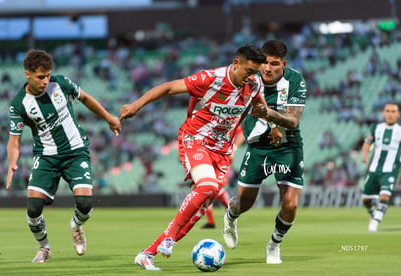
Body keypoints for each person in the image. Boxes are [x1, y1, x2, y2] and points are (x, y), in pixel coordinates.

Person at [120, 45, 278, 271]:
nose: (251, 77)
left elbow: (259, 104)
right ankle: (170, 238)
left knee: (204, 202)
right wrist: (136, 106)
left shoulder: (253, 84)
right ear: (236, 64)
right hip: (195, 139)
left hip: (222, 150)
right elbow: (167, 88)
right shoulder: (210, 79)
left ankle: (147, 254)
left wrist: (272, 125)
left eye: (255, 72)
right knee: (207, 186)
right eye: (248, 71)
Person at [6, 49, 121, 263]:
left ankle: (76, 225)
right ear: (27, 74)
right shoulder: (19, 104)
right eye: (41, 77)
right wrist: (12, 162)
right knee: (33, 209)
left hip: (76, 151)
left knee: (85, 204)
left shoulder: (60, 84)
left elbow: (85, 97)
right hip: (47, 157)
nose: (45, 80)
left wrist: (108, 117)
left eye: (48, 75)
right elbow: (14, 140)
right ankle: (44, 247)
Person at [222, 40, 307, 265]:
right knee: (244, 204)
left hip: (288, 147)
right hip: (258, 148)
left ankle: (274, 245)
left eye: (274, 64)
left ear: (284, 64)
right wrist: (230, 145)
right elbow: (236, 113)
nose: (268, 68)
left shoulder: (295, 80)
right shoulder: (250, 77)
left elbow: (293, 120)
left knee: (290, 204)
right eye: (265, 63)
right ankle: (230, 217)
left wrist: (270, 115)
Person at [361, 102, 401, 232]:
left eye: (393, 111)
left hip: (391, 170)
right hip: (374, 169)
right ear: (383, 113)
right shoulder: (376, 128)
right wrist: (364, 154)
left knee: (384, 196)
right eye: (388, 111)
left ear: (398, 114)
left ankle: (375, 223)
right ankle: (374, 215)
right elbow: (368, 142)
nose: (390, 114)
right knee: (366, 199)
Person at [201, 126, 245, 229]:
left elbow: (241, 135)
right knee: (211, 188)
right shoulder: (213, 120)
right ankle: (218, 218)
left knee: (215, 188)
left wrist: (234, 148)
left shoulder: (230, 119)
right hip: (211, 156)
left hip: (224, 158)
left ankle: (230, 214)